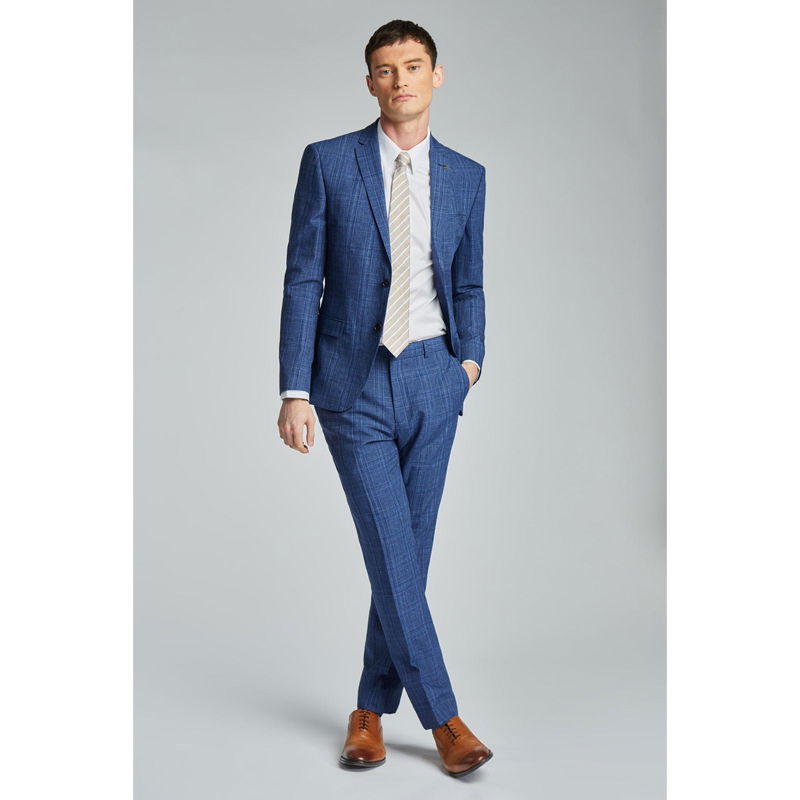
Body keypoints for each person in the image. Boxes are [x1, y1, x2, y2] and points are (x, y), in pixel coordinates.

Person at [277, 19, 492, 778]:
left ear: (437, 74)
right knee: (393, 551)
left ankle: (368, 711)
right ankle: (445, 721)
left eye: (413, 66)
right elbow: (303, 277)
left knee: (407, 557)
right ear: (370, 82)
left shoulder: (466, 175)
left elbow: (469, 280)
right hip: (352, 383)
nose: (400, 80)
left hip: (435, 377)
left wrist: (469, 365)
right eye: (385, 69)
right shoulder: (329, 161)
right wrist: (295, 388)